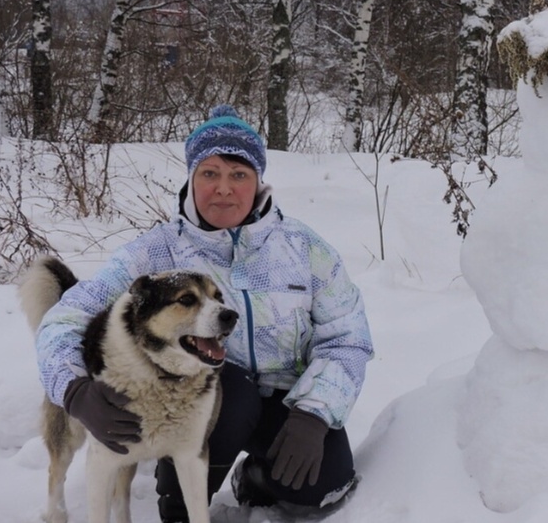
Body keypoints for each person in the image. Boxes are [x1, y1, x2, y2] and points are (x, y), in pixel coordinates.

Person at [33, 104, 374, 522]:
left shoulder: (305, 248)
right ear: (192, 179)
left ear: (258, 181)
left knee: (324, 485)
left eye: (239, 175)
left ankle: (255, 476)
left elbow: (347, 337)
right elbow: (65, 319)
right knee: (230, 388)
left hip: (290, 402)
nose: (224, 188)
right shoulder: (156, 252)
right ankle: (179, 502)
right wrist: (74, 390)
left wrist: (316, 412)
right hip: (204, 400)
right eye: (210, 173)